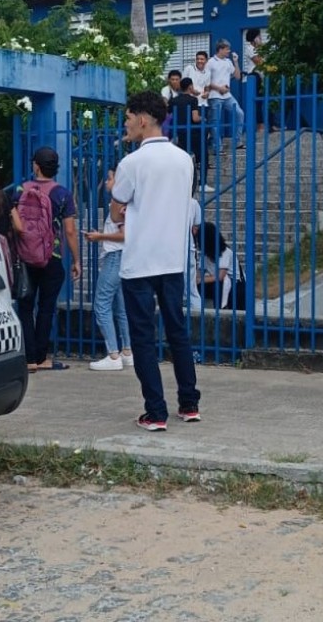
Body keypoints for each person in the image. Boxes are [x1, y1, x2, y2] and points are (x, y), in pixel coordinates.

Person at [111, 91, 201, 431]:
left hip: (140, 262)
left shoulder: (131, 163)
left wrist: (122, 211)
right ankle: (189, 403)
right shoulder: (184, 159)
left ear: (143, 119)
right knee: (178, 332)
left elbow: (118, 207)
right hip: (173, 259)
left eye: (129, 117)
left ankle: (156, 411)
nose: (127, 124)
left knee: (144, 338)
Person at [12, 147, 81, 373]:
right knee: (46, 308)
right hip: (52, 256)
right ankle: (41, 357)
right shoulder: (62, 194)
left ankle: (28, 358)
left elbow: (13, 221)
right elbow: (70, 231)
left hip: (25, 256)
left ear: (36, 166)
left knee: (25, 306)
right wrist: (76, 260)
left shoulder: (21, 190)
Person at [84, 164, 133, 371]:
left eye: (110, 178)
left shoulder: (118, 202)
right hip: (121, 257)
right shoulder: (127, 202)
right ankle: (127, 351)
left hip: (114, 257)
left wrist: (99, 237)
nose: (106, 182)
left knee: (101, 304)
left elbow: (124, 235)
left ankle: (113, 354)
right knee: (120, 307)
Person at [168, 77, 211, 192]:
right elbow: (195, 118)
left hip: (178, 133)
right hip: (193, 133)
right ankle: (202, 184)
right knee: (203, 156)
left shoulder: (173, 101)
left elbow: (169, 116)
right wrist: (204, 118)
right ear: (190, 87)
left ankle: (182, 183)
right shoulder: (193, 100)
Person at [206, 39, 246, 152]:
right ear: (221, 49)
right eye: (227, 49)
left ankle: (238, 141)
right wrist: (219, 88)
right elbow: (206, 81)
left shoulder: (228, 62)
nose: (229, 51)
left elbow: (238, 77)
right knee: (215, 122)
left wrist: (236, 62)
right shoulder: (211, 62)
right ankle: (217, 147)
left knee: (240, 113)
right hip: (214, 96)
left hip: (227, 95)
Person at [198, 222, 248, 311]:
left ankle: (218, 312)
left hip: (235, 284)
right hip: (217, 281)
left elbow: (221, 276)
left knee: (216, 286)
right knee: (199, 287)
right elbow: (199, 273)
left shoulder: (225, 252)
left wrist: (200, 279)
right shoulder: (205, 255)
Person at [242, 28, 267, 137]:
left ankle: (267, 125)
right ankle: (260, 126)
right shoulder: (250, 48)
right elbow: (259, 62)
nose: (260, 38)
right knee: (258, 101)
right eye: (259, 36)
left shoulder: (259, 49)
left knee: (264, 100)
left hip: (262, 76)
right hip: (254, 76)